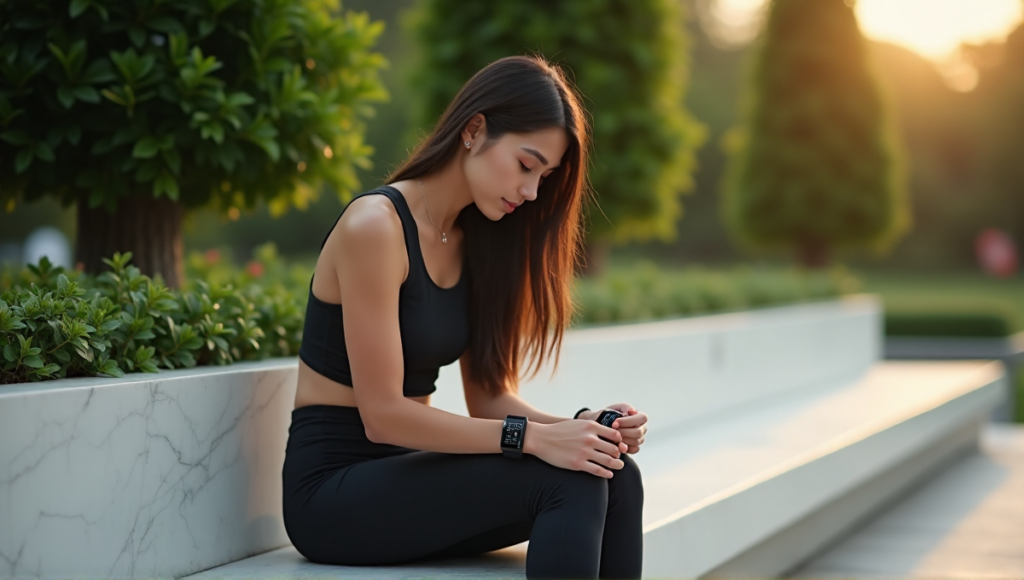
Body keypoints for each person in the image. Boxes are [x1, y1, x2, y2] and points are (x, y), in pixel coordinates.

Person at [282, 54, 649, 580]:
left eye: (544, 177)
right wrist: (534, 439)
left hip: (410, 477)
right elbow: (383, 416)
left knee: (614, 473)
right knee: (570, 479)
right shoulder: (375, 227)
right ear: (474, 130)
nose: (531, 192)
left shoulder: (479, 238)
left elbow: (490, 397)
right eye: (525, 165)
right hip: (333, 492)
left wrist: (582, 429)